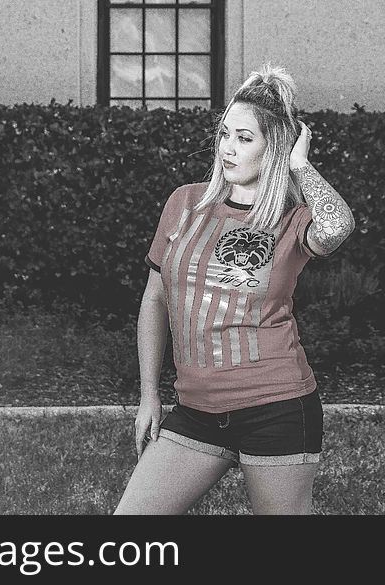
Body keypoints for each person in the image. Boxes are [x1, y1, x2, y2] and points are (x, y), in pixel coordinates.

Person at [113, 63, 356, 515]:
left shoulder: (291, 218)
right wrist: (149, 393)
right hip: (195, 412)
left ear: (274, 148)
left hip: (276, 408)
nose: (227, 148)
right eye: (225, 134)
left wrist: (299, 164)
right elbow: (155, 298)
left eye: (245, 139)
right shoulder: (185, 203)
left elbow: (338, 225)